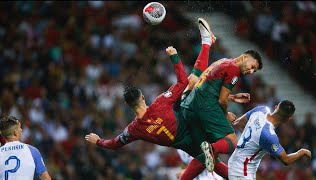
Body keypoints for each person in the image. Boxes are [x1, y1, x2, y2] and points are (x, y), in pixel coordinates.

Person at [85, 18, 248, 179]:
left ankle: (207, 42)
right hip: (191, 119)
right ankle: (206, 43)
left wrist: (99, 141)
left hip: (186, 139)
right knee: (193, 83)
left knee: (209, 157)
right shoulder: (159, 103)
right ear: (142, 96)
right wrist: (175, 57)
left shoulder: (134, 130)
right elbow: (182, 81)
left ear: (128, 104)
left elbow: (114, 143)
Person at [179, 35, 263, 178]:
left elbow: (208, 88)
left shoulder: (223, 62)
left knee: (206, 158)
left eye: (254, 71)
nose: (251, 71)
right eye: (252, 67)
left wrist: (233, 97)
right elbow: (221, 101)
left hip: (189, 107)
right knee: (232, 140)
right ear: (244, 57)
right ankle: (211, 149)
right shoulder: (234, 69)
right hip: (204, 108)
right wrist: (226, 115)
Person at [228, 100, 311, 179]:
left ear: (275, 107)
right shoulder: (269, 135)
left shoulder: (261, 109)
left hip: (234, 161)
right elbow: (286, 160)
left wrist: (254, 137)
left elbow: (238, 123)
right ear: (288, 119)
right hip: (242, 173)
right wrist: (301, 152)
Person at [0, 115, 51, 180]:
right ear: (15, 133)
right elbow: (46, 178)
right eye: (20, 128)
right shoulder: (32, 150)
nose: (21, 130)